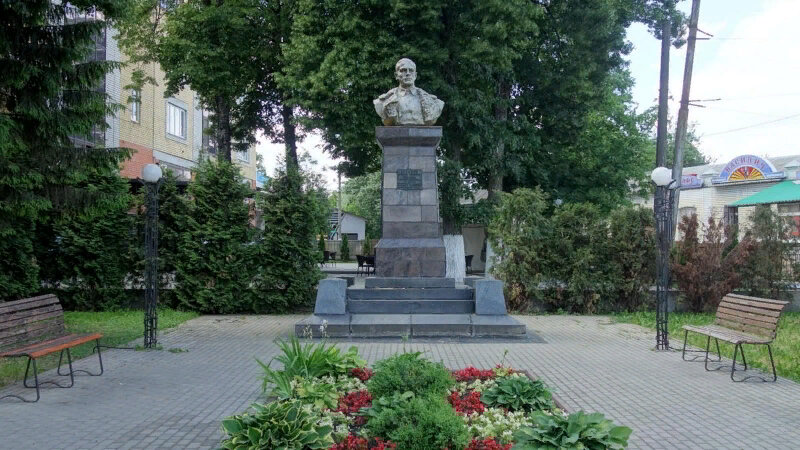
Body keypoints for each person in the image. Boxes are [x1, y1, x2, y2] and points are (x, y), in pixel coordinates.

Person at [373, 58, 444, 126]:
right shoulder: (384, 100)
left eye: (411, 70)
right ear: (396, 75)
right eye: (403, 70)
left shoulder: (432, 101)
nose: (407, 73)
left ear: (415, 75)